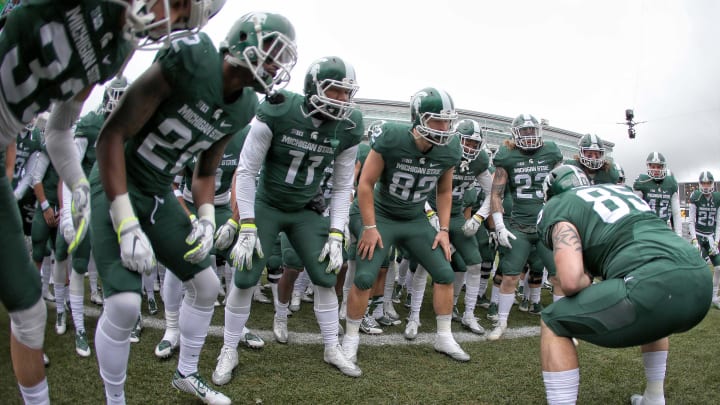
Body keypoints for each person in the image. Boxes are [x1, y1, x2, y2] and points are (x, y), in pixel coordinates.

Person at [0, 1, 224, 402]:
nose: (168, 21)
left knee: (31, 318)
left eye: (183, 19)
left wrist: (77, 184)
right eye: (177, 5)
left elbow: (58, 130)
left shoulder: (116, 50)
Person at [91, 11, 296, 404]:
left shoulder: (243, 106)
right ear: (242, 41)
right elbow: (111, 135)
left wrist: (204, 217)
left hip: (157, 193)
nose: (276, 67)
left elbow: (206, 171)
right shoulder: (190, 57)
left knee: (206, 285)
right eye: (272, 54)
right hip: (116, 181)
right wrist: (124, 219)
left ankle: (186, 373)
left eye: (281, 59)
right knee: (123, 303)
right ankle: (114, 399)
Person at [220, 55, 363, 382]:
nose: (343, 99)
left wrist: (337, 234)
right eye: (335, 91)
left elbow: (343, 185)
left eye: (347, 93)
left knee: (328, 274)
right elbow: (246, 171)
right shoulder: (280, 108)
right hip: (268, 203)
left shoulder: (350, 125)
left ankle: (332, 346)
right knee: (244, 276)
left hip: (305, 209)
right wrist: (247, 224)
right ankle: (228, 348)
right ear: (314, 87)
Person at [537, 165, 711, 405]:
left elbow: (570, 280)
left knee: (552, 320)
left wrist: (587, 277)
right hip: (700, 280)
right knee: (656, 304)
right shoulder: (622, 191)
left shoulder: (560, 204)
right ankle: (654, 397)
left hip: (652, 285)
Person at [341, 87, 471, 366]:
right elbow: (365, 183)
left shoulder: (450, 148)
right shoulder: (392, 137)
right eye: (437, 120)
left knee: (444, 271)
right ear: (418, 118)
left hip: (413, 218)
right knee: (365, 276)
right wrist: (369, 226)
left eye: (448, 121)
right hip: (380, 215)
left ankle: (444, 336)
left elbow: (444, 192)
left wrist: (444, 230)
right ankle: (350, 339)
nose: (444, 127)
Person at [486, 113, 563, 340]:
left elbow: (563, 186)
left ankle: (560, 323)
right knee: (510, 276)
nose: (529, 135)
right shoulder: (507, 155)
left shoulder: (551, 151)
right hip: (518, 224)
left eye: (532, 130)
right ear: (515, 134)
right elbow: (496, 194)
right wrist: (499, 225)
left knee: (558, 277)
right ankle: (501, 322)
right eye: (524, 131)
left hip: (545, 225)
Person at [687, 171, 720, 308]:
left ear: (712, 183)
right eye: (703, 183)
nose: (706, 186)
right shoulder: (696, 196)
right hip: (699, 236)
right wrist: (694, 239)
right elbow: (690, 221)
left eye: (708, 183)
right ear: (700, 184)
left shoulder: (717, 198)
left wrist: (717, 241)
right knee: (698, 269)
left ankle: (714, 297)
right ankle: (695, 296)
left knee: (718, 268)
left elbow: (719, 223)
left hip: (711, 237)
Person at [632, 152, 683, 237]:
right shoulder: (642, 182)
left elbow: (676, 213)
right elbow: (636, 211)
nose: (656, 170)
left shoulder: (670, 183)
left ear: (663, 167)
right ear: (648, 166)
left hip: (664, 228)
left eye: (659, 167)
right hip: (646, 228)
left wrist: (679, 234)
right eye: (653, 167)